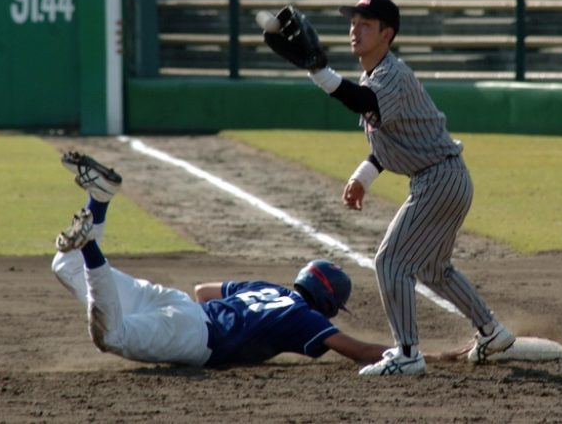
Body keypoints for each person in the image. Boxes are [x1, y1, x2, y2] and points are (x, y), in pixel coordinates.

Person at [303, 0, 515, 376]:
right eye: (353, 23)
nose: (355, 30)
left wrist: (321, 73)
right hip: (446, 178)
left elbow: (362, 101)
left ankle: (407, 354)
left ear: (387, 34)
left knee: (390, 262)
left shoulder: (392, 75)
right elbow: (391, 143)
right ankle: (492, 332)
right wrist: (363, 177)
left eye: (366, 24)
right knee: (434, 269)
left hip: (439, 180)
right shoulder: (375, 76)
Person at [52, 151, 392, 368]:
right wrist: (407, 353)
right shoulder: (306, 319)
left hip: (181, 306)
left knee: (65, 266)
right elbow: (360, 351)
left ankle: (99, 200)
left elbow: (202, 291)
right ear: (327, 303)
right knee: (112, 336)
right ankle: (89, 244)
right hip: (194, 336)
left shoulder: (267, 288)